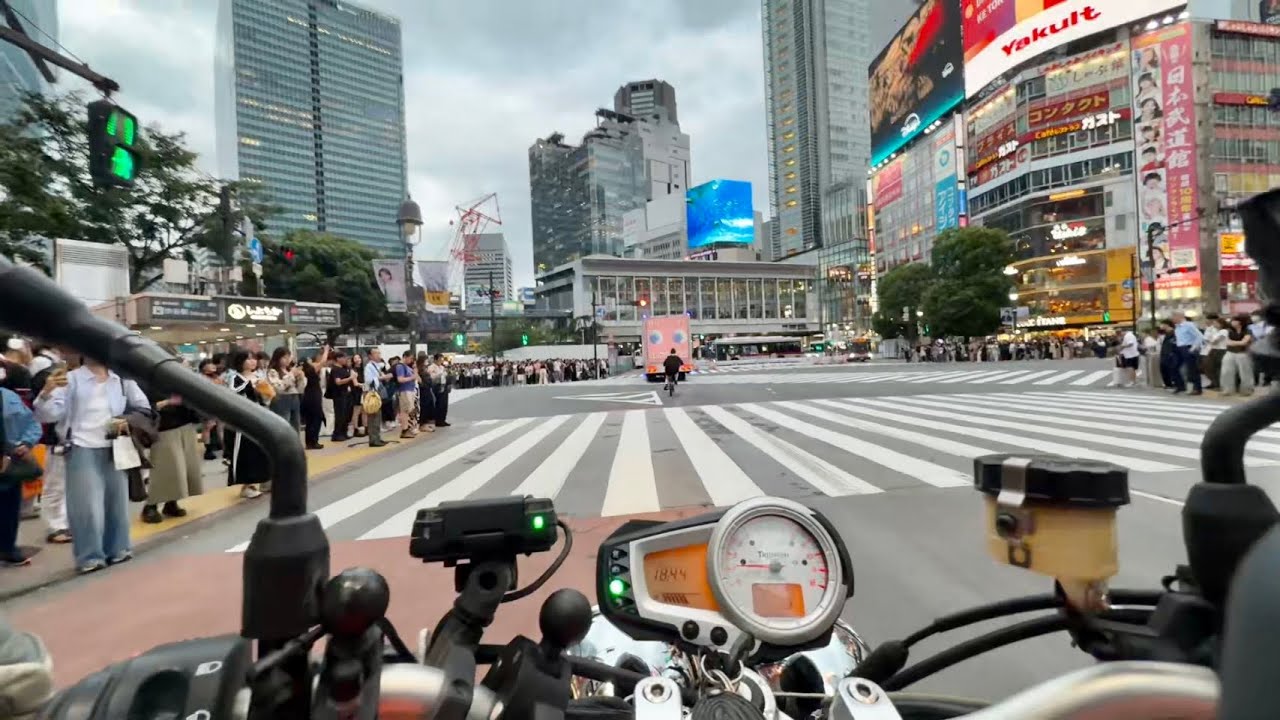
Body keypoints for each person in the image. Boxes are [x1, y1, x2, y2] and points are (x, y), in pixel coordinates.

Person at [33, 358, 150, 574]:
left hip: (116, 444)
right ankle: (90, 556)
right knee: (86, 506)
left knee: (117, 502)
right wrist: (47, 391)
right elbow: (47, 414)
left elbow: (143, 407)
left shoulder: (122, 379)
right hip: (81, 446)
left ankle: (119, 549)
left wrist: (126, 419)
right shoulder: (71, 379)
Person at [141, 386, 203, 524]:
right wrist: (167, 402)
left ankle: (171, 502)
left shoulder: (175, 379)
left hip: (185, 424)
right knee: (164, 469)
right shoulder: (146, 381)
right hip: (163, 428)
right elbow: (144, 406)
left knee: (184, 468)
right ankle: (151, 505)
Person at [1, 386, 41, 567]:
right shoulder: (9, 396)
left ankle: (8, 548)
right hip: (8, 458)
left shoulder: (9, 397)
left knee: (10, 507)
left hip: (10, 462)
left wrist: (25, 443)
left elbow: (32, 424)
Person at [224, 351, 270, 499]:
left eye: (254, 359)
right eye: (248, 359)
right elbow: (232, 395)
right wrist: (251, 386)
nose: (253, 362)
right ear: (241, 361)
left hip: (260, 418)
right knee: (246, 453)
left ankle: (261, 482)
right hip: (243, 422)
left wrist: (265, 393)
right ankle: (246, 485)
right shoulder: (235, 378)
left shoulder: (259, 377)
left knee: (259, 451)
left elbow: (267, 398)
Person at [300, 345, 329, 450]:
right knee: (316, 418)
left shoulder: (304, 371)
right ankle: (314, 441)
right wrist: (326, 350)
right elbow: (323, 361)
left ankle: (309, 442)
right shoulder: (311, 370)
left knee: (309, 420)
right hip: (314, 396)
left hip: (307, 396)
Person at [361, 348, 390, 448]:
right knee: (373, 416)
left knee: (377, 416)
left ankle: (377, 437)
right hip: (372, 392)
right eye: (376, 353)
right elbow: (369, 380)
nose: (378, 355)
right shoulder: (369, 366)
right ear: (370, 356)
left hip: (376, 392)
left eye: (379, 353)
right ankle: (373, 439)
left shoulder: (376, 365)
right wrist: (382, 378)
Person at [394, 351, 418, 439]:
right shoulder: (400, 366)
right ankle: (404, 429)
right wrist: (411, 378)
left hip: (410, 390)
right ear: (405, 357)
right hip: (404, 390)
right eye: (410, 358)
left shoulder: (408, 367)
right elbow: (400, 379)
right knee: (405, 410)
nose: (411, 360)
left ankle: (408, 427)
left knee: (409, 410)